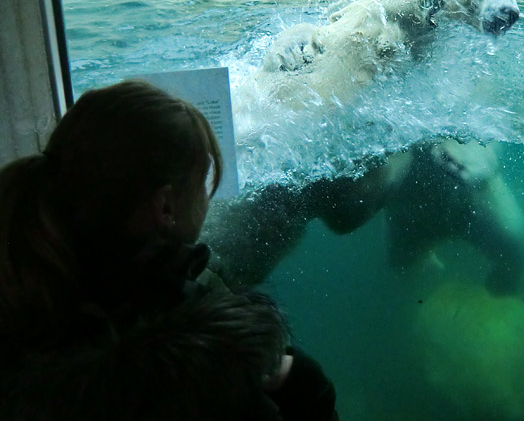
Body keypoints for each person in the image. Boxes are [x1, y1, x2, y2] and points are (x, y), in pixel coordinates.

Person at [0, 80, 338, 421]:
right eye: (203, 183)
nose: (207, 200)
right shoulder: (203, 365)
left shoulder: (33, 293)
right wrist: (301, 384)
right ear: (165, 207)